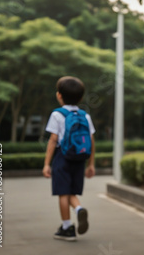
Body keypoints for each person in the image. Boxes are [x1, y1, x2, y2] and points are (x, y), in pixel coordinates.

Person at [42, 76, 96, 241]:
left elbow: (52, 141)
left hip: (62, 157)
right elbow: (92, 141)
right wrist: (91, 164)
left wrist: (46, 164)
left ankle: (67, 228)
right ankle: (78, 209)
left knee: (63, 193)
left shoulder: (57, 115)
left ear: (59, 95)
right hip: (79, 159)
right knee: (71, 191)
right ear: (80, 98)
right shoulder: (85, 116)